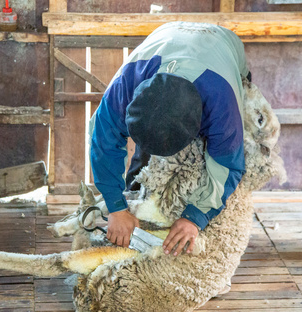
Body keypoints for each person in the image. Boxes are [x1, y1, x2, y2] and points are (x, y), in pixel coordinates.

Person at [89, 21, 251, 256]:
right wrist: (116, 207)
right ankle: (138, 201)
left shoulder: (222, 103)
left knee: (214, 164)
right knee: (146, 158)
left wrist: (195, 218)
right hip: (166, 37)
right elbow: (102, 142)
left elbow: (228, 166)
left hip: (221, 44)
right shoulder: (125, 85)